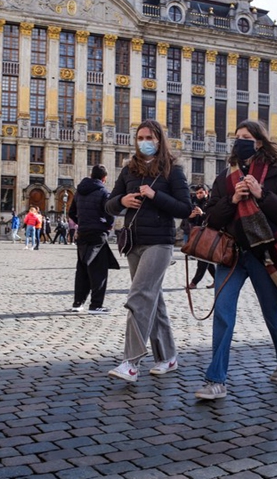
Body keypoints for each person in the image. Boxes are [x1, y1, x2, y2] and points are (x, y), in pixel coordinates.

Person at [195, 120, 277, 401]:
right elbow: (211, 219)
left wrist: (261, 195)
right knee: (223, 313)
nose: (240, 141)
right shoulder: (224, 178)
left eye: (246, 137)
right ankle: (216, 380)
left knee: (272, 312)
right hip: (230, 255)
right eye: (237, 137)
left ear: (259, 142)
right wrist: (231, 200)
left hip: (263, 254)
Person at [104, 119, 192, 383]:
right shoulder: (128, 170)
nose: (144, 142)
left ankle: (131, 363)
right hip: (133, 242)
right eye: (140, 138)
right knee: (154, 299)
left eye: (149, 138)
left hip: (160, 243)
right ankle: (168, 356)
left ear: (159, 140)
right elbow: (109, 204)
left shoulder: (173, 171)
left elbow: (185, 208)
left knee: (140, 296)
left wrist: (156, 196)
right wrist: (122, 200)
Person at [69, 164, 119, 314]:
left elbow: (71, 212)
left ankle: (78, 303)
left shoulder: (79, 192)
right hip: (98, 233)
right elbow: (110, 212)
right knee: (98, 269)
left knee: (82, 268)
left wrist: (82, 222)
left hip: (83, 233)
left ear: (91, 175)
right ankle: (96, 304)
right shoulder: (103, 192)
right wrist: (107, 225)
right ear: (104, 178)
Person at [185, 185, 215, 290]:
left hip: (209, 234)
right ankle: (217, 279)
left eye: (201, 192)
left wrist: (202, 214)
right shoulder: (195, 203)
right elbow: (191, 221)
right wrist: (191, 217)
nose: (199, 195)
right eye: (197, 193)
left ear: (206, 192)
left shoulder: (212, 203)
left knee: (202, 259)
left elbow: (214, 218)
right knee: (207, 260)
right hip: (199, 235)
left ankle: (194, 282)